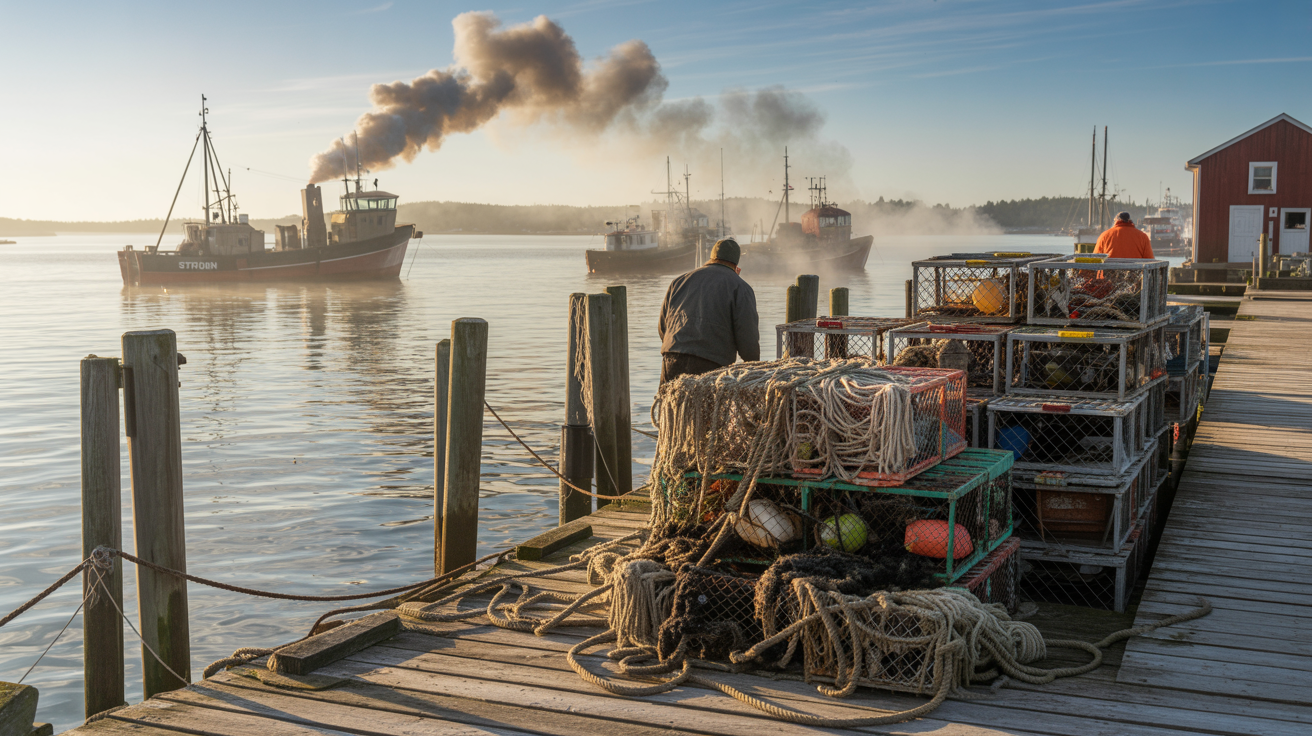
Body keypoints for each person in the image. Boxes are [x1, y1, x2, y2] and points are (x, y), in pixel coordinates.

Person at [658, 238, 760, 383]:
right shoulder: (740, 287)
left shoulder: (678, 282)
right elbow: (748, 338)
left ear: (712, 257)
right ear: (736, 265)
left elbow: (663, 329)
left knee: (670, 404)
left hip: (672, 357)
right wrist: (755, 369)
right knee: (705, 406)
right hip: (711, 363)